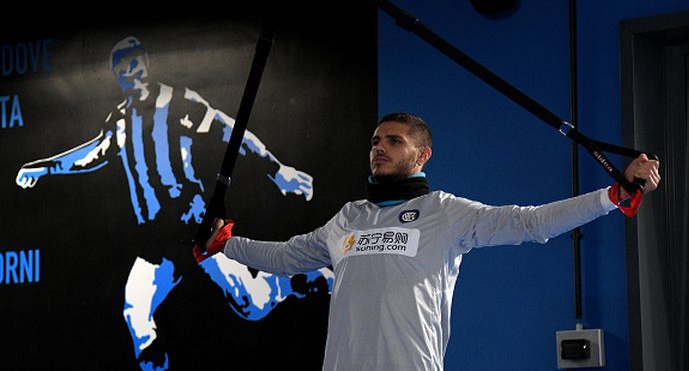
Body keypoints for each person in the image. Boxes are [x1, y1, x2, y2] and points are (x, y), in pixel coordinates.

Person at [197, 112, 661, 371]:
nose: (379, 147)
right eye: (375, 141)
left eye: (393, 141)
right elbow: (285, 256)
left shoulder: (446, 212)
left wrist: (610, 197)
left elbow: (529, 223)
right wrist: (225, 243)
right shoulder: (348, 218)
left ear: (422, 155)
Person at [15, 36, 333, 371]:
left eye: (132, 60)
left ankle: (291, 280)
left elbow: (230, 132)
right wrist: (44, 166)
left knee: (252, 304)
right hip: (156, 242)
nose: (128, 69)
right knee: (136, 313)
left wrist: (277, 171)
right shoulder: (120, 119)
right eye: (120, 64)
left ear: (145, 62)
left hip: (195, 227)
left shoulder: (178, 102)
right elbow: (92, 153)